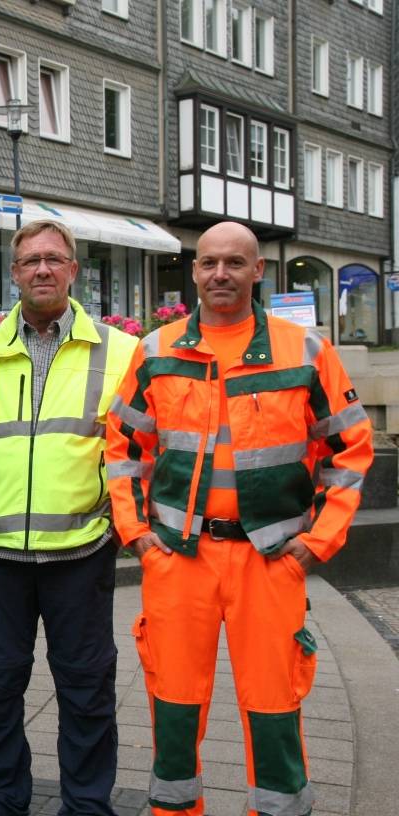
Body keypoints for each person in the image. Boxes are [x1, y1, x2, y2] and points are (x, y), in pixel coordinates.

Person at [106, 221, 373, 816]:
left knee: (275, 703)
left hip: (272, 556)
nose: (219, 274)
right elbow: (122, 449)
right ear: (194, 271)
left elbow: (350, 448)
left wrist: (318, 542)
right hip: (178, 556)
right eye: (208, 263)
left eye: (234, 263)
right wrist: (140, 536)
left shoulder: (304, 351)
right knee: (173, 703)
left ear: (259, 272)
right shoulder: (157, 350)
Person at [0, 219, 139, 816]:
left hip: (81, 553)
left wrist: (129, 528)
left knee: (87, 692)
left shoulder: (120, 353)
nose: (42, 269)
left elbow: (138, 449)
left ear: (74, 271)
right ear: (14, 273)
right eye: (29, 261)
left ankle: (87, 806)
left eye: (53, 259)